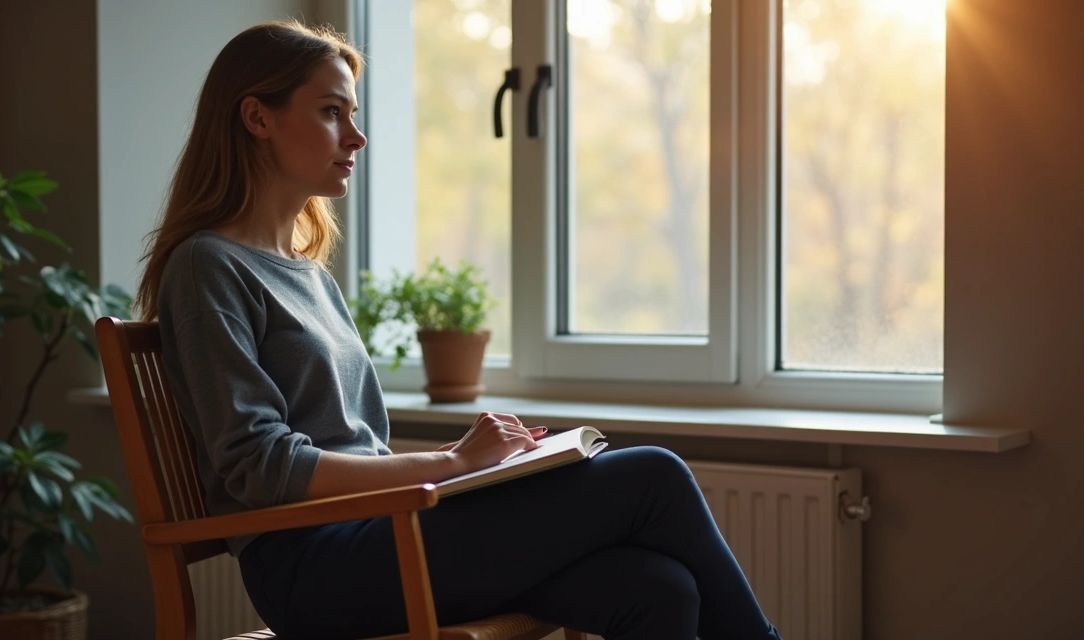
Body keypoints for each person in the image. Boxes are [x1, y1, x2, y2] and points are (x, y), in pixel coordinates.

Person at [133, 19, 783, 640]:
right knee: (654, 477)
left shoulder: (307, 274)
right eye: (332, 112)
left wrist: (485, 473)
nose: (356, 137)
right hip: (316, 567)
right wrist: (451, 463)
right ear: (257, 118)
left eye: (353, 115)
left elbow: (358, 449)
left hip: (382, 534)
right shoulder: (207, 266)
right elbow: (257, 465)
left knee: (659, 588)